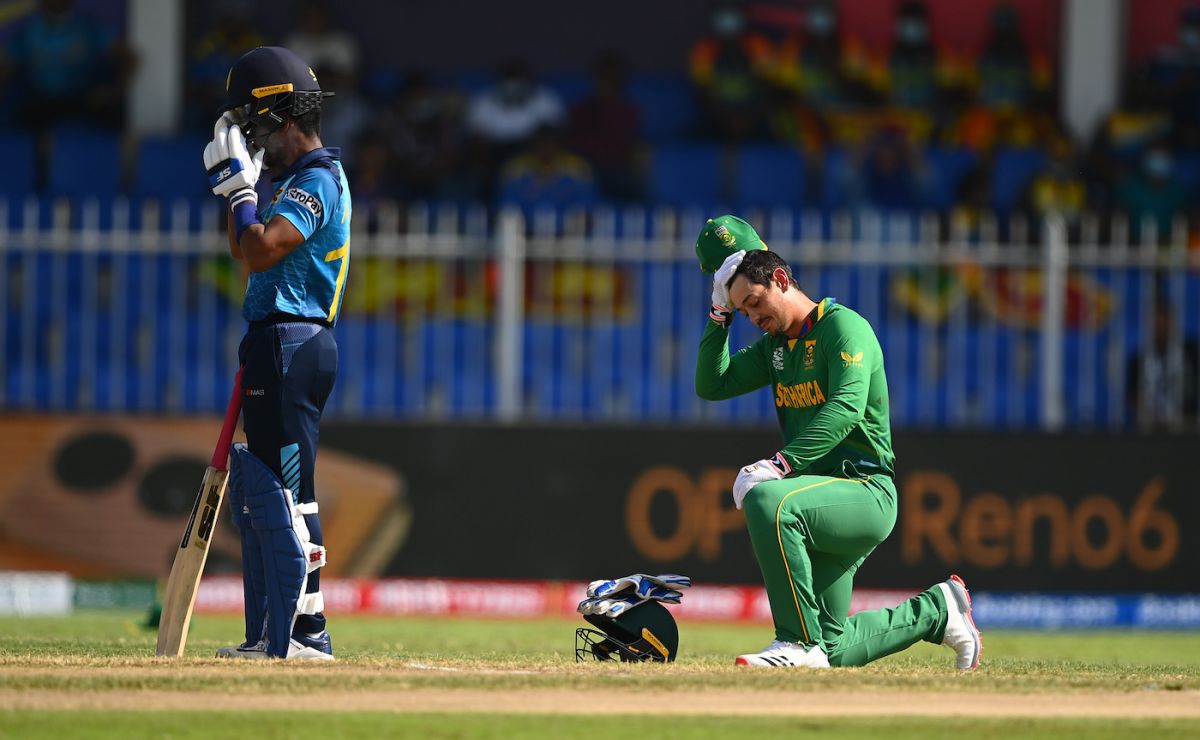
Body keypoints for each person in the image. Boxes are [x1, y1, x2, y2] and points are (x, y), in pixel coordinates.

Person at [693, 218, 981, 669]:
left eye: (754, 303)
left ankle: (794, 642)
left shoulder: (844, 328)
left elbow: (847, 409)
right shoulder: (776, 348)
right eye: (743, 312)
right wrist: (719, 318)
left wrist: (781, 465)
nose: (754, 318)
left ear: (781, 279)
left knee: (768, 500)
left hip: (864, 491)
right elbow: (711, 384)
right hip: (818, 500)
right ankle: (939, 611)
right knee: (836, 649)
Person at [203, 46, 350, 660]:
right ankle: (270, 633)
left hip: (295, 342)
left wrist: (242, 193)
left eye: (255, 123)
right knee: (265, 494)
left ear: (284, 117)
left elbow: (261, 248)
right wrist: (243, 191)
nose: (251, 136)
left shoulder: (316, 179)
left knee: (291, 495)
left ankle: (306, 634)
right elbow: (246, 249)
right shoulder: (291, 180)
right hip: (274, 342)